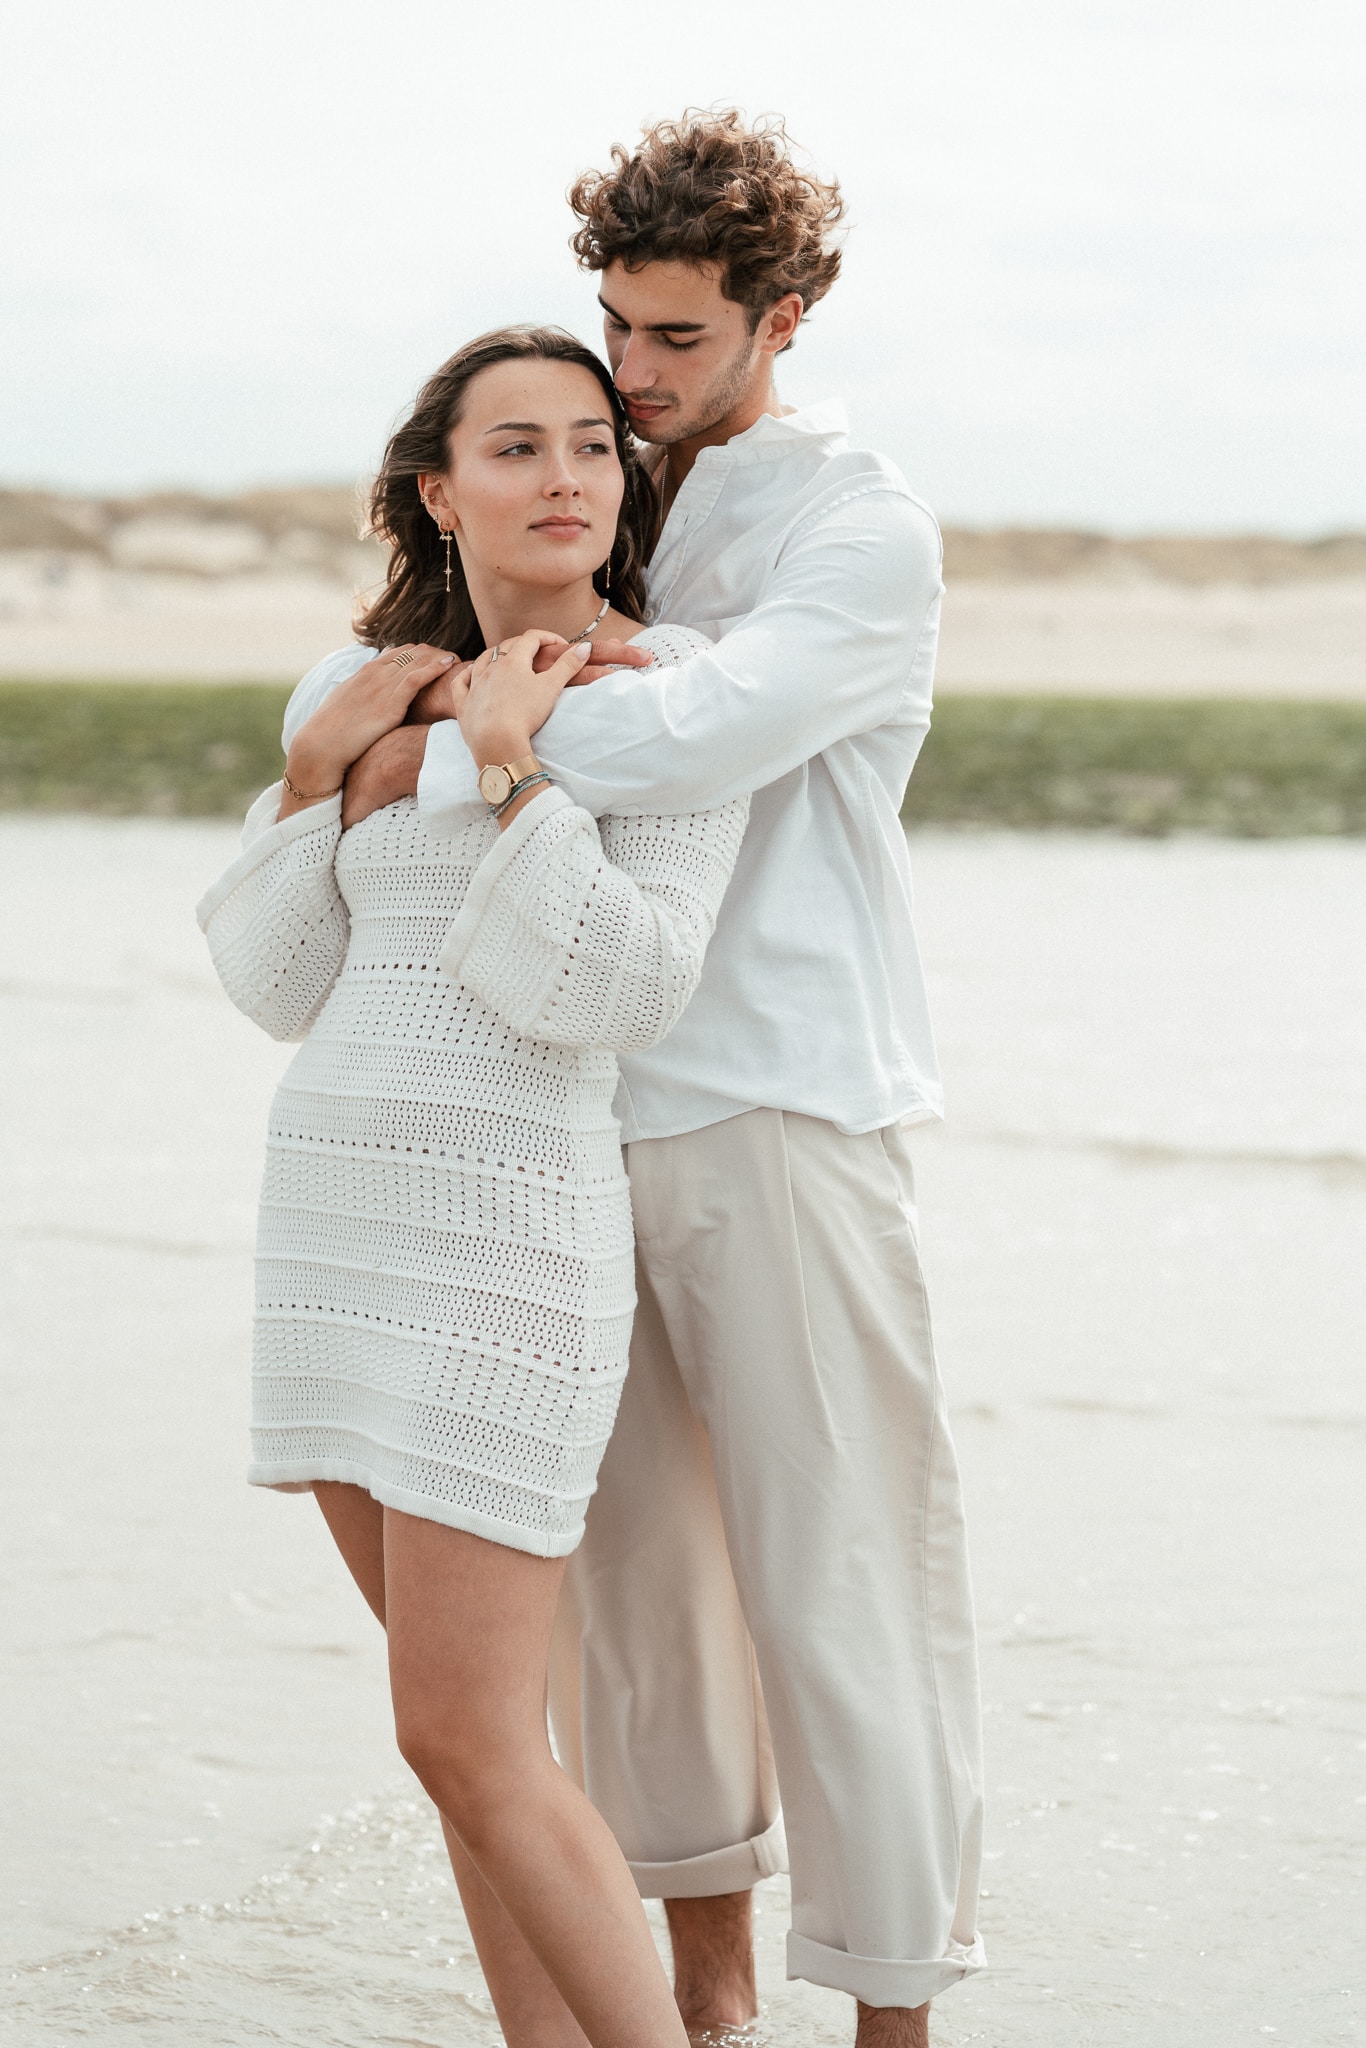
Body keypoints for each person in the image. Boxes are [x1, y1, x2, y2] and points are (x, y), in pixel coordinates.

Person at [347, 111, 987, 2048]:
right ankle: (705, 2003)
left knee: (841, 1582)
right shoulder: (611, 480)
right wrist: (483, 704)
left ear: (782, 318)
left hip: (783, 1097)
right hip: (574, 1103)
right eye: (616, 325)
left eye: (678, 337)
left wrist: (444, 728)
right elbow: (482, 670)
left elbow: (684, 739)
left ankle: (892, 2018)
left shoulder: (858, 526)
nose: (629, 373)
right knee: (636, 1593)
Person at [196, 324, 749, 2048]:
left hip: (506, 1234)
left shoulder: (664, 695)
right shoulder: (350, 688)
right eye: (515, 446)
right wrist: (316, 781)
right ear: (438, 493)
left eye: (590, 443)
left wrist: (510, 771)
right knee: (463, 1747)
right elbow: (280, 983)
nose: (564, 475)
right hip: (336, 1227)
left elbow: (612, 992)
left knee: (464, 1735)